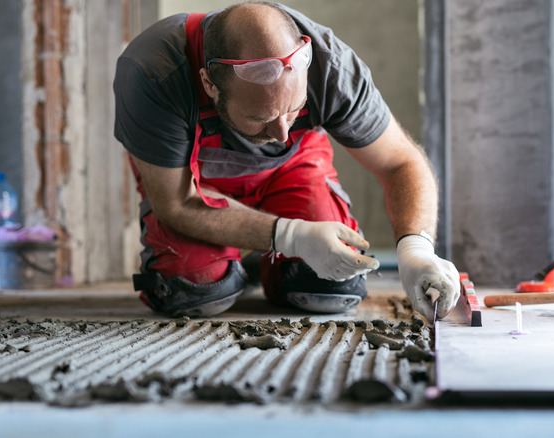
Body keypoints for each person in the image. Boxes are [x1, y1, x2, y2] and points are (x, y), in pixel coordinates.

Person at [113, 1, 460, 320]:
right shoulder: (153, 72)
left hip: (290, 171)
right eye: (259, 117)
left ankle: (262, 265)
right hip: (196, 186)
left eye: (294, 111)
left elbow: (400, 162)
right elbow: (176, 203)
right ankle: (237, 261)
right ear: (210, 84)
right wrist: (291, 235)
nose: (281, 132)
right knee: (196, 291)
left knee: (328, 290)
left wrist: (416, 249)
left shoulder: (333, 69)